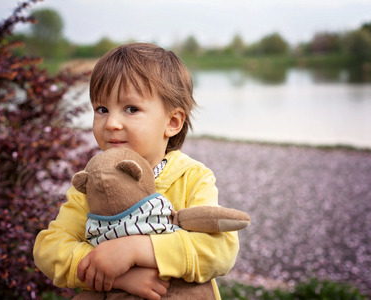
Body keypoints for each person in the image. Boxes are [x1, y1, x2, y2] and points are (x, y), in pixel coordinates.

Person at [33, 42, 239, 300]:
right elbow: (49, 248)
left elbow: (220, 249)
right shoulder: (94, 183)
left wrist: (137, 249)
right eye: (102, 109)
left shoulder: (192, 177)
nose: (111, 123)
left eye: (131, 109)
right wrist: (117, 276)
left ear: (172, 122)